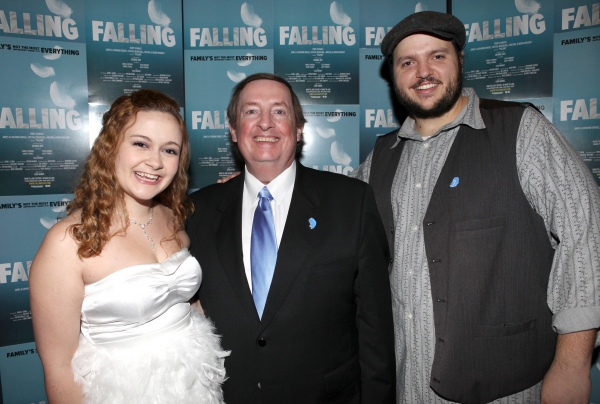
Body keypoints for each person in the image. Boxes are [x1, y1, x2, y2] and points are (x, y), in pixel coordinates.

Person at [351, 10, 600, 404]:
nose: (423, 72)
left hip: (505, 389)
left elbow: (586, 236)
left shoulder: (521, 130)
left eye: (437, 56)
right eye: (408, 62)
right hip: (403, 386)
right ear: (394, 75)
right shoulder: (379, 157)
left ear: (460, 61)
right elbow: (328, 217)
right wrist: (257, 187)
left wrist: (571, 365)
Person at [186, 73, 396, 404]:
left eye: (280, 112)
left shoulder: (350, 202)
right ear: (232, 131)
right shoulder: (198, 210)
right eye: (251, 112)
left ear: (299, 130)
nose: (265, 124)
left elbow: (376, 332)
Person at [29, 89, 228, 404]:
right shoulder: (67, 242)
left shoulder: (175, 218)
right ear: (111, 147)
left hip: (197, 387)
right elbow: (60, 370)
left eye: (170, 150)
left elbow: (188, 305)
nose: (155, 162)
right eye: (140, 144)